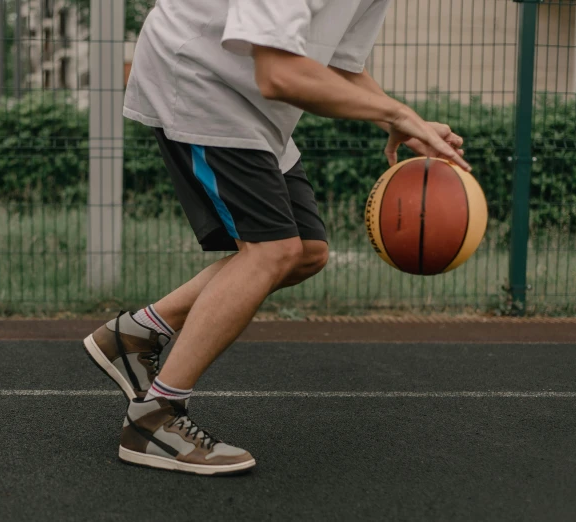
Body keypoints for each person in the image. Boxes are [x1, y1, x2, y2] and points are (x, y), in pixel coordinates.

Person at [85, 0, 469, 476]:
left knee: (305, 253)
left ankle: (136, 334)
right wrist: (396, 113)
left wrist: (398, 118)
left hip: (249, 98)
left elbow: (337, 67)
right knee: (272, 251)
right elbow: (279, 75)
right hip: (201, 79)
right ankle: (153, 419)